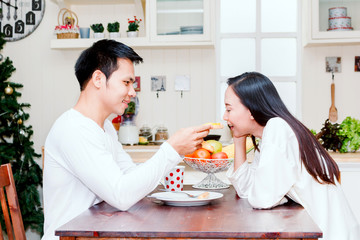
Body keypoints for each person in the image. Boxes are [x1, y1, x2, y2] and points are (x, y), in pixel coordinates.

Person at [42, 40, 211, 240]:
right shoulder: (74, 129)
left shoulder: (103, 127)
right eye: (126, 82)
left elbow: (129, 174)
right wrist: (171, 149)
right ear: (98, 79)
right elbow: (121, 195)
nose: (132, 92)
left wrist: (173, 153)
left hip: (99, 233)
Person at [224, 72, 360, 240]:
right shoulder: (270, 134)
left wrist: (275, 197)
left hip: (330, 234)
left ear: (251, 109)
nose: (225, 117)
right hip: (319, 229)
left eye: (229, 109)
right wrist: (239, 140)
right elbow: (246, 190)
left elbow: (261, 199)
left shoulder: (277, 129)